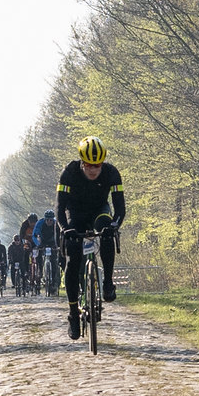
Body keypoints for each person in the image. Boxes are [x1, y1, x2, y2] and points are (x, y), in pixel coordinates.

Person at [58, 136, 127, 339]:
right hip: (75, 214)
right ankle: (73, 314)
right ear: (82, 162)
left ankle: (107, 282)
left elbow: (120, 208)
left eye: (97, 166)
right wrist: (64, 229)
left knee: (106, 231)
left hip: (99, 211)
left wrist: (114, 225)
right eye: (88, 165)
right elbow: (60, 207)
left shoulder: (112, 173)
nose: (93, 170)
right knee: (73, 259)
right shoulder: (69, 173)